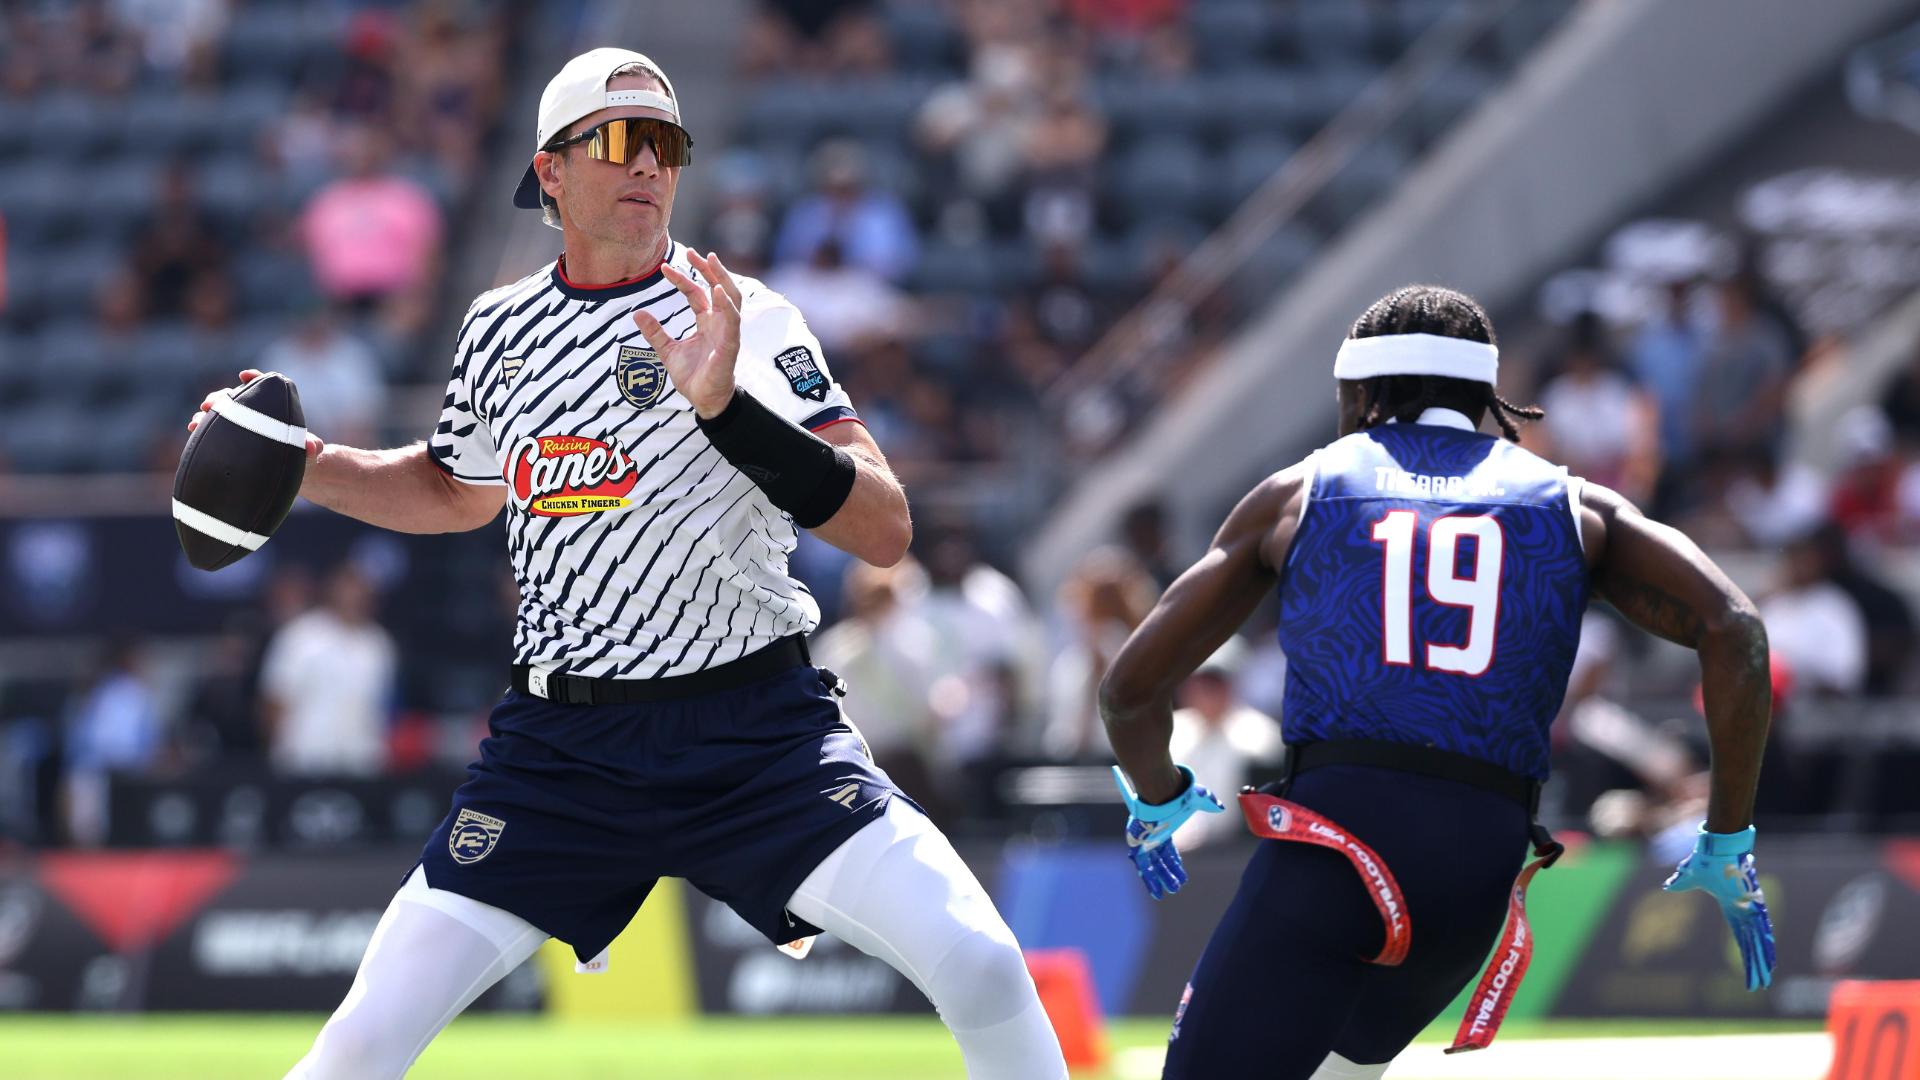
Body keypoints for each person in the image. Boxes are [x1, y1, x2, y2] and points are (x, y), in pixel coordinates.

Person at [191, 48, 1064, 1080]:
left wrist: (728, 411)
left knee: (983, 965)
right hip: (562, 753)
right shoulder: (498, 328)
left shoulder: (746, 315)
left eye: (665, 143)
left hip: (757, 736)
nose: (648, 162)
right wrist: (309, 464)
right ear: (550, 171)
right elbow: (455, 489)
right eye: (618, 140)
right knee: (360, 1042)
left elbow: (885, 529)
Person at [1099, 285, 1776, 1079]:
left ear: (1364, 388)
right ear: (1485, 394)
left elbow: (1129, 690)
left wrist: (1160, 796)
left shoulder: (1303, 490)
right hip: (1475, 870)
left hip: (1339, 846)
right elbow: (1736, 629)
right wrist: (1727, 837)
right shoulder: (1573, 504)